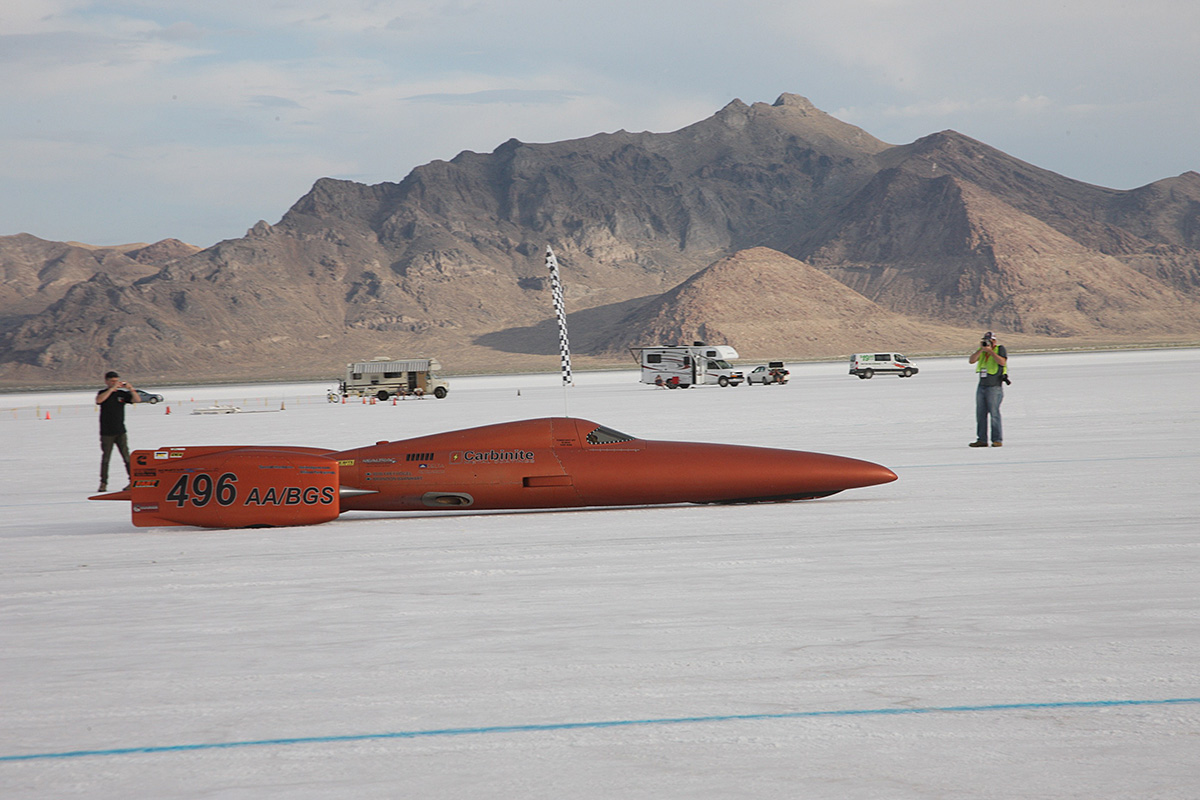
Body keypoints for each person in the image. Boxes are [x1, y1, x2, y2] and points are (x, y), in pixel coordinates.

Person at [95, 370, 140, 491]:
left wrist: (131, 389)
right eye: (112, 381)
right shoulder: (103, 393)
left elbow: (137, 400)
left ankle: (132, 481)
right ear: (107, 382)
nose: (115, 383)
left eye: (117, 381)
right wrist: (111, 389)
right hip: (106, 432)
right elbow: (99, 400)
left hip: (120, 431)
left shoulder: (122, 394)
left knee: (127, 457)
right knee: (106, 459)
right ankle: (103, 483)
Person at [968, 331, 1007, 447]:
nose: (987, 342)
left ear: (994, 341)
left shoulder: (1000, 349)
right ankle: (982, 439)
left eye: (990, 340)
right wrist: (981, 350)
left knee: (994, 413)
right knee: (980, 414)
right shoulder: (982, 352)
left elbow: (1002, 362)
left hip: (994, 386)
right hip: (982, 386)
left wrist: (990, 351)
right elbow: (972, 360)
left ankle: (997, 439)